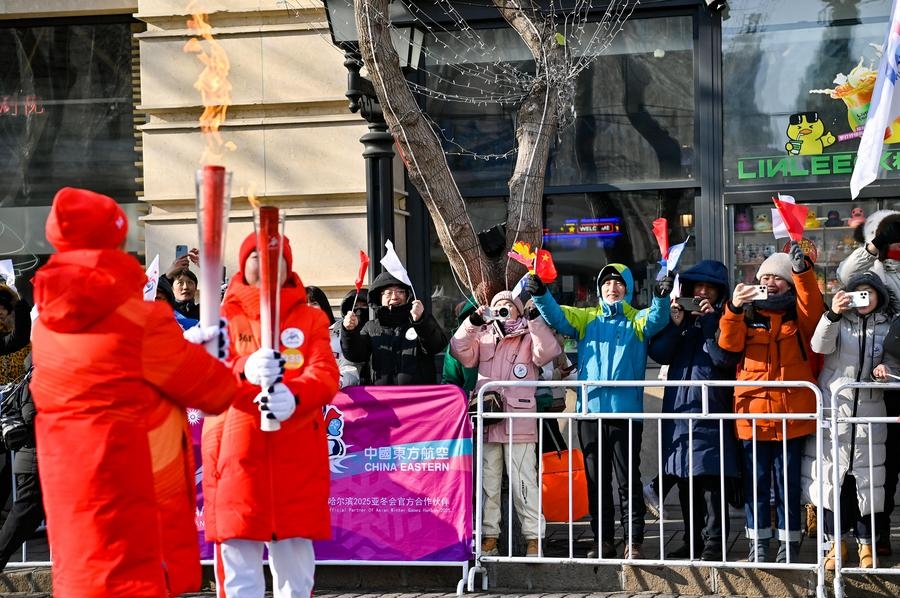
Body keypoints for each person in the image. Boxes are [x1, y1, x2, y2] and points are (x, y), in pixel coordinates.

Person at [29, 187, 238, 598]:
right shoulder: (138, 321)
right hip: (131, 487)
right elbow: (215, 391)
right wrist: (212, 353)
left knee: (82, 578)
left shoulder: (46, 325)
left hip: (69, 485)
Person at [203, 232, 340, 598]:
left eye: (274, 258)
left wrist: (294, 396)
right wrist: (243, 369)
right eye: (256, 257)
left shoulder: (311, 319)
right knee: (239, 571)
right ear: (242, 263)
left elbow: (325, 373)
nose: (264, 264)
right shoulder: (221, 318)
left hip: (295, 459)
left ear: (287, 267)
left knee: (295, 574)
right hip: (236, 456)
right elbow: (206, 374)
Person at [527, 264, 673, 560]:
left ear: (627, 289)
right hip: (590, 413)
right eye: (607, 283)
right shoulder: (586, 318)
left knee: (627, 481)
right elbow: (557, 316)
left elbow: (658, 318)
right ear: (599, 289)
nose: (612, 288)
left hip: (625, 414)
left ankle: (633, 541)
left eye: (618, 283)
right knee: (596, 482)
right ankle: (603, 541)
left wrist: (660, 297)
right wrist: (541, 293)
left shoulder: (637, 320)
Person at [717, 243, 825, 564]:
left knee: (788, 484)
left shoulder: (799, 315)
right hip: (752, 414)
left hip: (791, 415)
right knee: (756, 484)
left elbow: (813, 308)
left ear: (789, 284)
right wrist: (734, 308)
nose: (769, 282)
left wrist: (802, 272)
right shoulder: (746, 314)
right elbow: (728, 345)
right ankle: (758, 543)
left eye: (777, 277)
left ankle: (789, 546)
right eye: (764, 277)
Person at [450, 290, 560, 558]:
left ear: (519, 310)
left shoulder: (529, 336)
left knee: (524, 483)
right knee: (488, 484)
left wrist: (535, 320)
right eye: (498, 306)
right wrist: (473, 322)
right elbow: (459, 349)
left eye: (508, 306)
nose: (503, 310)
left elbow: (548, 352)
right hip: (489, 419)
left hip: (519, 420)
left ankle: (533, 538)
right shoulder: (484, 335)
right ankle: (489, 536)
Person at [803, 271, 897, 570]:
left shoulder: (889, 326)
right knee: (833, 482)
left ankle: (867, 545)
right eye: (858, 292)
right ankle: (836, 544)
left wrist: (886, 370)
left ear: (880, 296)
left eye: (870, 292)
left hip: (871, 414)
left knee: (869, 483)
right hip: (835, 411)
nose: (864, 298)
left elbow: (894, 362)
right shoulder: (837, 321)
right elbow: (819, 346)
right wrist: (832, 313)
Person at [647, 260, 740, 561]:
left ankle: (715, 542)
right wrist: (675, 324)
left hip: (712, 409)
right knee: (685, 479)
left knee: (712, 480)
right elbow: (659, 353)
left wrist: (711, 322)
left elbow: (724, 359)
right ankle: (692, 541)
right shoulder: (682, 321)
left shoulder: (727, 319)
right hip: (679, 409)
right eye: (697, 287)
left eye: (709, 288)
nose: (702, 293)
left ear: (719, 292)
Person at [837, 210, 900, 556]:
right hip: (888, 379)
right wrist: (874, 247)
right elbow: (847, 275)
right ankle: (880, 534)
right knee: (884, 464)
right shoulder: (876, 267)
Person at [341, 271, 448, 385]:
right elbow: (356, 355)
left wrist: (421, 321)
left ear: (407, 295)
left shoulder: (419, 321)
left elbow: (436, 346)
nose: (394, 297)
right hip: (381, 395)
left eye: (400, 292)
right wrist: (349, 332)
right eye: (388, 293)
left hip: (418, 395)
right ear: (379, 297)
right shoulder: (370, 327)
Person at [0, 354, 43, 570]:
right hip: (34, 461)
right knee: (22, 519)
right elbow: (31, 416)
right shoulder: (37, 376)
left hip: (41, 461)